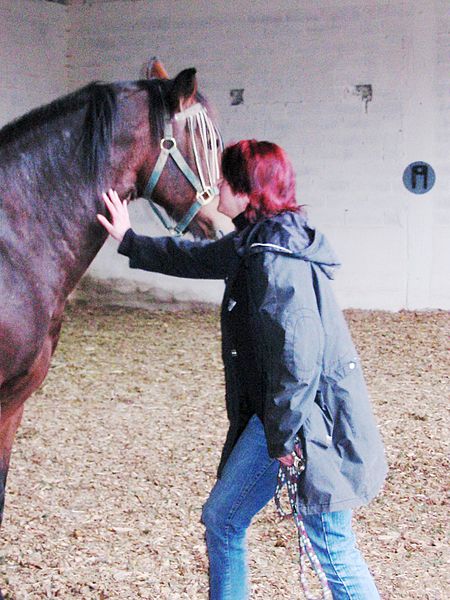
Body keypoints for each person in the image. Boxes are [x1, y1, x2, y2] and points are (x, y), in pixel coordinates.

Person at [97, 140, 387, 600]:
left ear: (247, 190)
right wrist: (129, 240)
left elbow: (299, 357)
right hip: (280, 419)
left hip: (310, 425)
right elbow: (196, 258)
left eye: (224, 180)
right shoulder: (258, 241)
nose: (214, 187)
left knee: (331, 544)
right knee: (224, 519)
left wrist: (286, 437)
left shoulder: (276, 258)